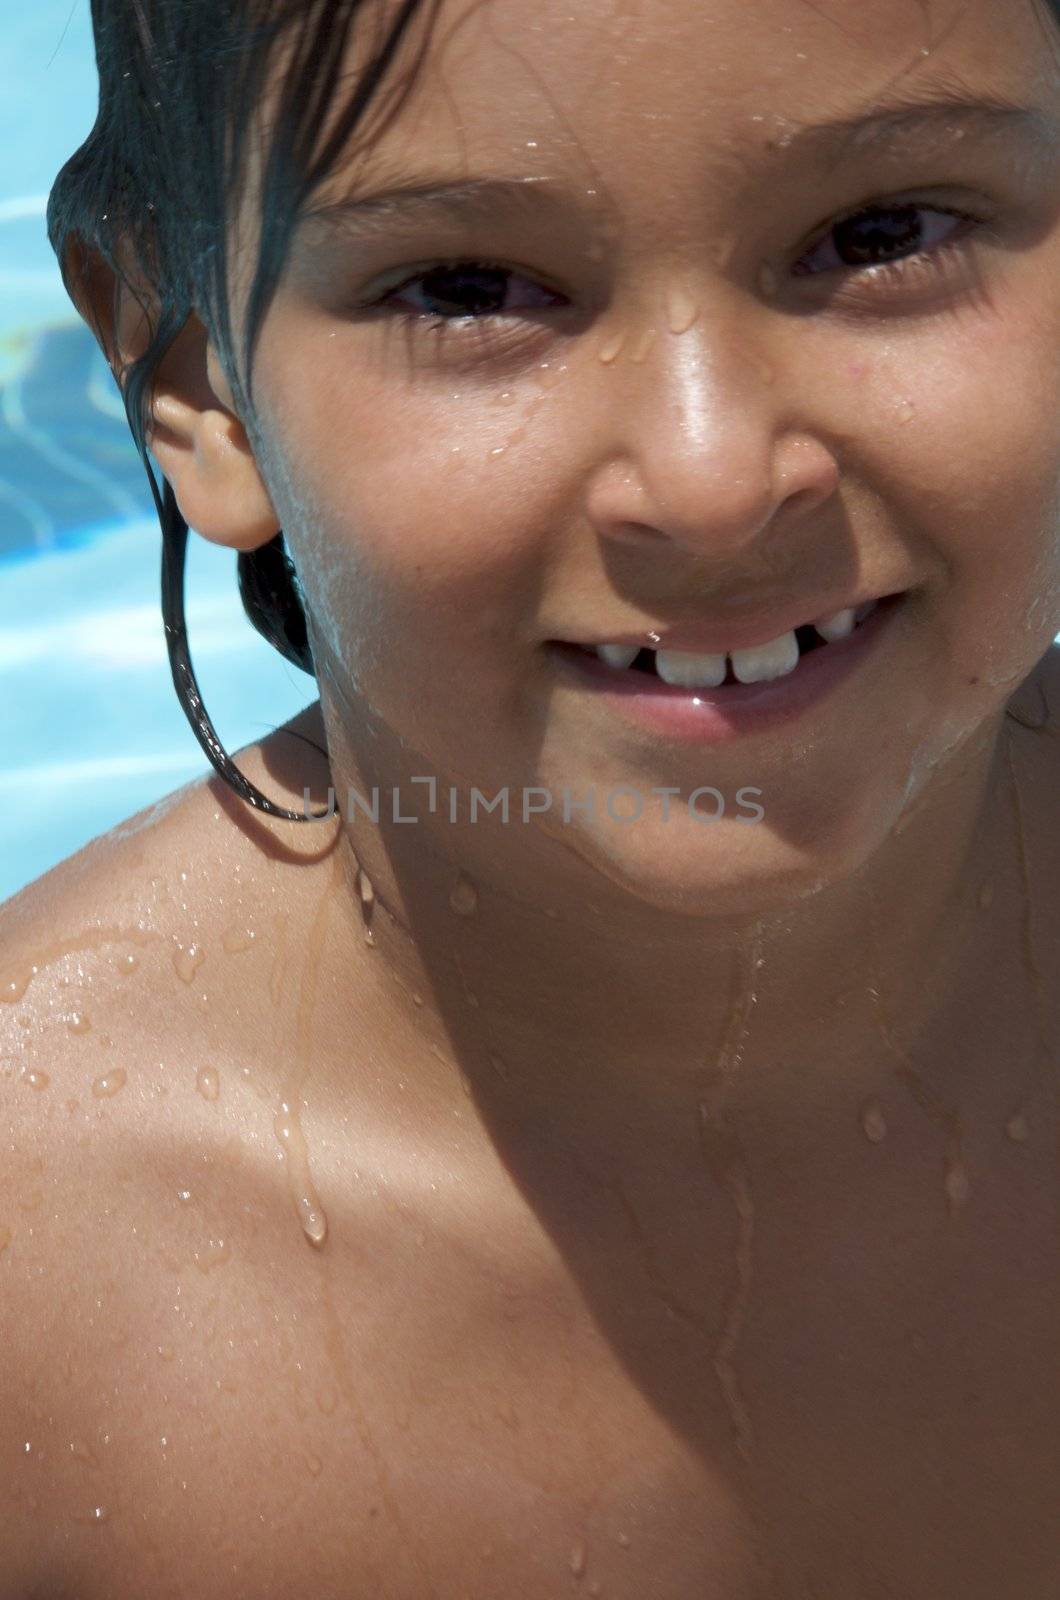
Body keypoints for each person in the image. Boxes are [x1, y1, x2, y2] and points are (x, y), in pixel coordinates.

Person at [2, 0, 1058, 1592]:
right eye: (470, 287)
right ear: (198, 378)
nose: (711, 481)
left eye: (880, 232)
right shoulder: (44, 1296)